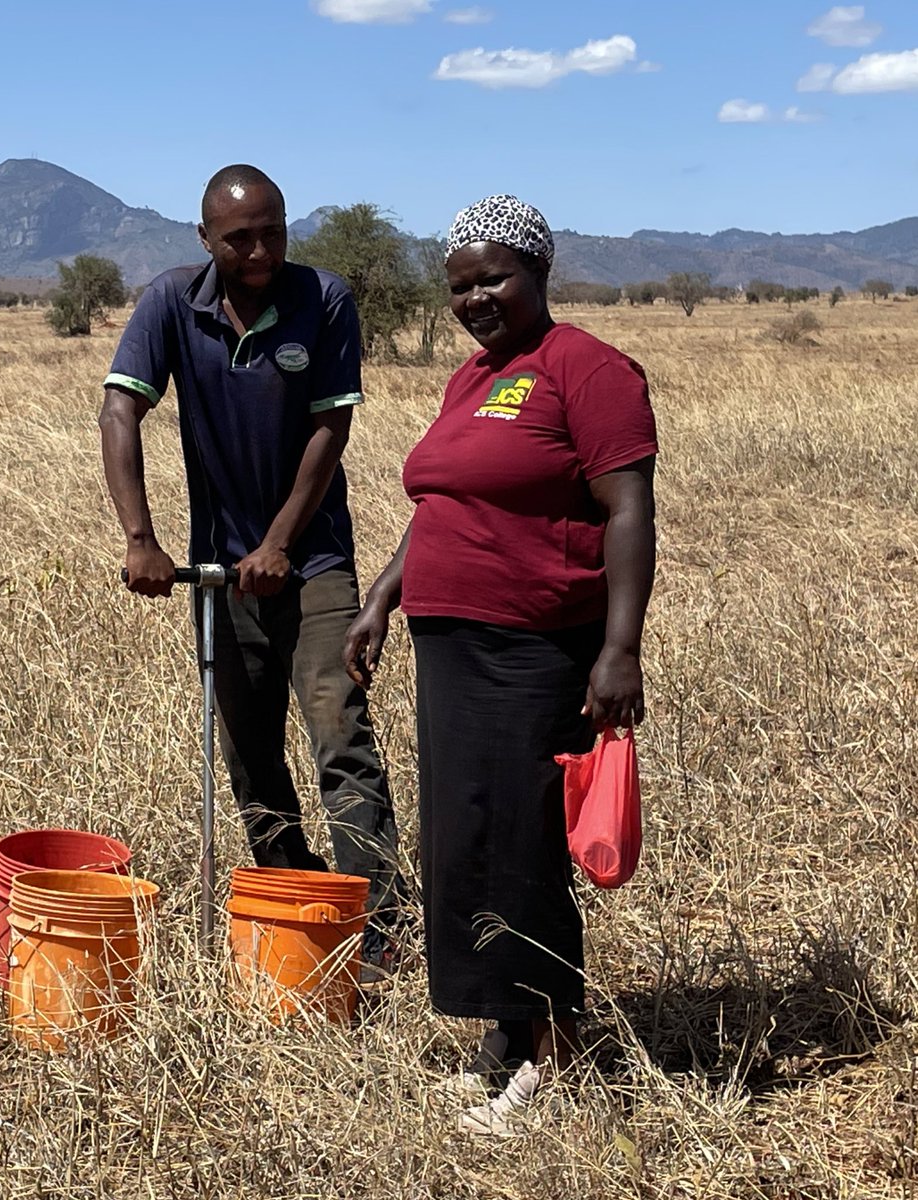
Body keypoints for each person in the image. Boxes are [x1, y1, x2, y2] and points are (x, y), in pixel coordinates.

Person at [344, 195, 657, 1132]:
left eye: (493, 278)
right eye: (459, 286)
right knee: (465, 846)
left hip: (533, 651)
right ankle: (505, 1041)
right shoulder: (474, 378)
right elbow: (441, 500)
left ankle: (552, 1070)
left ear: (539, 272)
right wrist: (380, 599)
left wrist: (620, 647)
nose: (475, 298)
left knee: (522, 848)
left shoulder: (588, 371)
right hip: (452, 648)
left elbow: (628, 511)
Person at [99, 164, 403, 968]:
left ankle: (381, 927)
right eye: (241, 238)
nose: (261, 249)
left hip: (316, 563)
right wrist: (140, 538)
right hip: (218, 575)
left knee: (340, 733)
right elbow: (121, 406)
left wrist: (278, 543)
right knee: (249, 752)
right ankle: (297, 910)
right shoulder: (173, 302)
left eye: (274, 230)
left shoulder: (324, 299)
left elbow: (328, 432)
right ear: (205, 240)